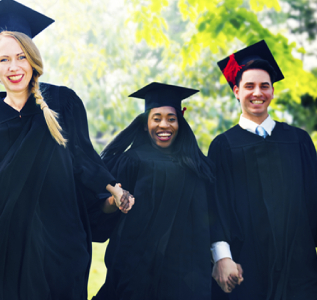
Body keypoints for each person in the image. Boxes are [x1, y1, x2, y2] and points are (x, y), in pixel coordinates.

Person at [0, 0, 134, 298]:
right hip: (2, 240)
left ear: (33, 58)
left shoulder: (63, 102)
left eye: (21, 56)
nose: (14, 67)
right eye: (4, 59)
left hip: (58, 238)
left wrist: (114, 189)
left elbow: (83, 159)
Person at [210, 40, 317, 299]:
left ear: (272, 91)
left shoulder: (299, 140)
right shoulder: (223, 146)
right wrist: (221, 257)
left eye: (264, 86)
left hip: (298, 265)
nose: (257, 92)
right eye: (249, 86)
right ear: (236, 91)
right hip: (246, 266)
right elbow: (216, 206)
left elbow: (314, 197)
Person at [91, 82, 214, 299]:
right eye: (156, 119)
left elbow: (208, 219)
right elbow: (101, 210)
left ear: (180, 122)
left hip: (184, 275)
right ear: (146, 124)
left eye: (171, 118)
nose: (164, 125)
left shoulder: (196, 166)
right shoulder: (131, 160)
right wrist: (114, 201)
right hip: (135, 270)